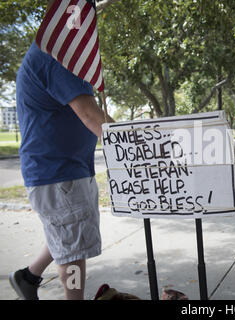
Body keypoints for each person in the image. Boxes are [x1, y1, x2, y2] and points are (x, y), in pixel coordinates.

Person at [9, 1, 114, 300]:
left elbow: (93, 113)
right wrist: (135, 150)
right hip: (58, 173)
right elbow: (90, 116)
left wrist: (128, 136)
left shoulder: (60, 55)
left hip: (63, 170)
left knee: (66, 233)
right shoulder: (58, 56)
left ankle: (28, 277)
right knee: (72, 245)